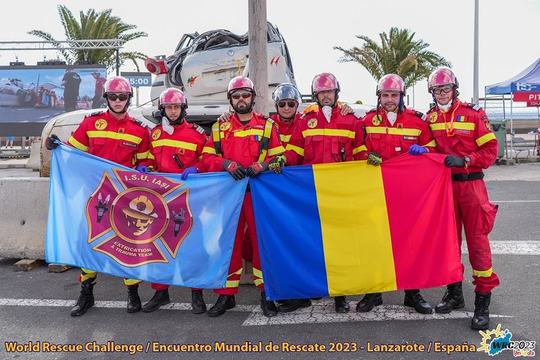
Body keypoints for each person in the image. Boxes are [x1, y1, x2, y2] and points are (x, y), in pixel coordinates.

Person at [46, 75, 153, 317]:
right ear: (106, 98)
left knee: (128, 244)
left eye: (122, 97)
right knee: (90, 243)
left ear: (129, 99)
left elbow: (147, 160)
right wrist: (54, 144)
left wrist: (145, 166)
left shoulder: (140, 130)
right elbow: (71, 152)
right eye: (113, 96)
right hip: (93, 195)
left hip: (125, 198)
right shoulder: (91, 124)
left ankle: (133, 293)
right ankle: (86, 294)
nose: (117, 101)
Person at [201, 76, 285, 318]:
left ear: (253, 98)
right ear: (230, 100)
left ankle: (265, 295)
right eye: (236, 96)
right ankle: (226, 297)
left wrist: (264, 165)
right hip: (229, 197)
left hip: (258, 196)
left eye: (245, 95)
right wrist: (225, 163)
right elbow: (206, 159)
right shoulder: (219, 127)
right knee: (227, 245)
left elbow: (281, 158)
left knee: (261, 246)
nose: (241, 100)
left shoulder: (268, 126)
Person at [283, 72, 366, 313]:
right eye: (321, 92)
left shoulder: (351, 120)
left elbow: (360, 152)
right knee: (313, 242)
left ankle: (340, 295)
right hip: (313, 192)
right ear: (315, 95)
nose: (325, 96)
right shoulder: (304, 121)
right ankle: (316, 287)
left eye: (329, 92)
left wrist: (368, 161)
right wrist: (280, 160)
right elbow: (294, 153)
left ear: (336, 93)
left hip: (341, 193)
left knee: (340, 244)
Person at [426, 67, 499, 330]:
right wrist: (421, 150)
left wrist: (466, 159)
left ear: (454, 89)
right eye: (437, 90)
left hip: (472, 186)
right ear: (432, 93)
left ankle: (482, 303)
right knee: (449, 243)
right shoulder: (431, 117)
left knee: (478, 245)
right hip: (445, 189)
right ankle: (455, 294)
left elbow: (491, 150)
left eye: (445, 89)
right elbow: (432, 149)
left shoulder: (472, 114)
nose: (442, 93)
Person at [357, 74, 436, 315]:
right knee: (375, 241)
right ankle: (374, 292)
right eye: (385, 95)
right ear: (379, 96)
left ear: (402, 96)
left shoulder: (417, 121)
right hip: (376, 192)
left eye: (394, 95)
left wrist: (423, 150)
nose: (389, 100)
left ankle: (412, 293)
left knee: (410, 241)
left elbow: (432, 147)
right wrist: (365, 156)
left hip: (408, 194)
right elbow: (358, 147)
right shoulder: (367, 120)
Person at [142, 87, 208, 314]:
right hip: (160, 200)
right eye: (168, 107)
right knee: (158, 246)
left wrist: (197, 168)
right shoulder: (155, 134)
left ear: (183, 108)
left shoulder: (198, 134)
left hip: (188, 199)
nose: (172, 111)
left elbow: (208, 159)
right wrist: (147, 167)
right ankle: (161, 292)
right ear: (162, 109)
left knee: (191, 247)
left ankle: (196, 293)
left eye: (176, 107)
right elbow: (150, 158)